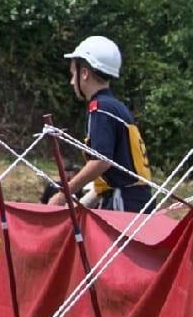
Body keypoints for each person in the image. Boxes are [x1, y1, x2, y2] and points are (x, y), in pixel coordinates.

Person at [46, 36, 153, 213]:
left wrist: (62, 195)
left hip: (125, 201)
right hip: (133, 198)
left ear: (85, 73)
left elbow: (101, 161)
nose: (72, 81)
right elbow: (110, 176)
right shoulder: (115, 106)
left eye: (73, 74)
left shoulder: (101, 108)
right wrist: (78, 206)